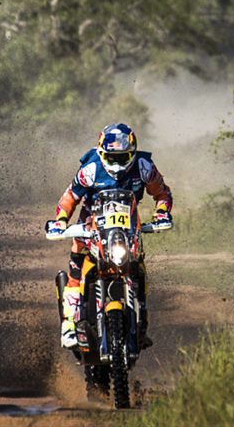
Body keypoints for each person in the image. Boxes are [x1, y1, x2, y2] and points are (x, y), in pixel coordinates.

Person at [46, 122, 173, 349]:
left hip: (127, 228)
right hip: (90, 226)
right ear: (102, 153)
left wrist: (162, 213)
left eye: (122, 157)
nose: (116, 163)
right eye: (111, 157)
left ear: (132, 153)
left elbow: (162, 192)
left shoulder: (144, 166)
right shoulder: (90, 169)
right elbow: (69, 198)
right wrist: (60, 221)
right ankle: (69, 325)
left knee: (138, 267)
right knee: (76, 270)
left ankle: (141, 319)